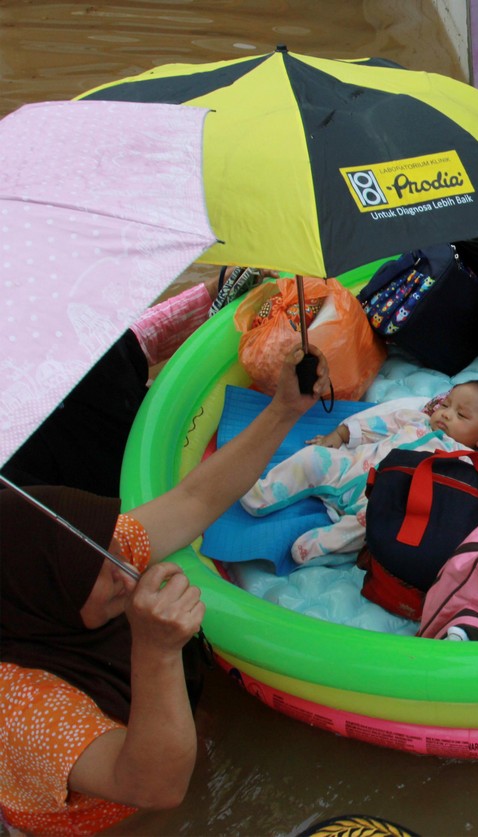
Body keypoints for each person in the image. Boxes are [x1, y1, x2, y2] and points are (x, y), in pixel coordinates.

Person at [0, 345, 329, 836]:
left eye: (116, 541)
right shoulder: (19, 706)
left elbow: (194, 500)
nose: (126, 568)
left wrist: (284, 409)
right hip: (118, 819)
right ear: (43, 599)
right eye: (104, 568)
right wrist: (155, 651)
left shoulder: (88, 553)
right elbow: (154, 788)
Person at [1, 267, 264, 497]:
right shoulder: (13, 472)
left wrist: (215, 291)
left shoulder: (55, 318)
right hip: (120, 500)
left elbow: (136, 340)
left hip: (153, 427)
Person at [239, 380, 478, 565]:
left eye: (460, 414)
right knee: (312, 458)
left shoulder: (462, 460)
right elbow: (375, 423)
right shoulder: (416, 419)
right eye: (446, 404)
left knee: (370, 526)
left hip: (380, 499)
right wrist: (341, 435)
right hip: (351, 468)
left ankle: (316, 547)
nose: (445, 415)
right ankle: (259, 494)